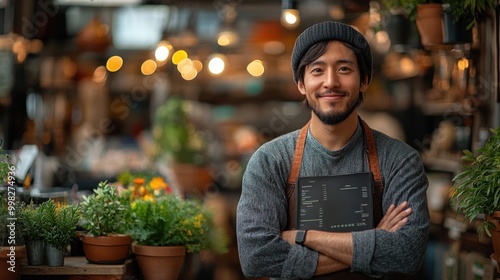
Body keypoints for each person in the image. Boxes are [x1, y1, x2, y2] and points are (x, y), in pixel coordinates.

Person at [236, 21, 430, 279]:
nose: (331, 82)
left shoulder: (400, 160)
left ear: (364, 80)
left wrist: (304, 237)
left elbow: (407, 254)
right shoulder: (270, 161)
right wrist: (374, 243)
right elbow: (256, 258)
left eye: (344, 69)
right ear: (301, 84)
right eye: (317, 70)